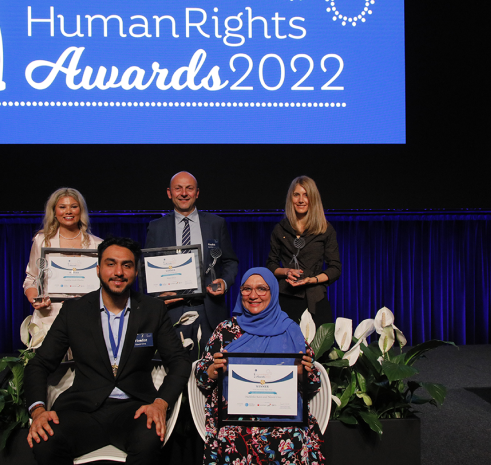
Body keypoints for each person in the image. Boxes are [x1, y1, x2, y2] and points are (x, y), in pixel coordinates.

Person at [25, 237, 190, 465]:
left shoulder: (153, 310)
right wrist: (38, 411)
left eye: (127, 265)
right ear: (98, 269)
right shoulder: (74, 311)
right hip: (83, 410)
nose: (118, 272)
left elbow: (179, 361)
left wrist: (160, 403)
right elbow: (39, 364)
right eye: (110, 263)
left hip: (135, 409)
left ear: (136, 272)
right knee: (45, 442)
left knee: (149, 443)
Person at [195, 267, 325, 465]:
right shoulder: (225, 330)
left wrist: (301, 373)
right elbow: (202, 377)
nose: (253, 295)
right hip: (235, 414)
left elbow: (314, 385)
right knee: (233, 438)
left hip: (282, 412)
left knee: (290, 439)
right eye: (247, 289)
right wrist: (212, 370)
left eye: (262, 289)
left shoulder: (290, 330)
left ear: (272, 292)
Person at [145, 171, 238, 357]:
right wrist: (158, 296)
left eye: (189, 188)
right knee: (174, 369)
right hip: (171, 310)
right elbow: (147, 269)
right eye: (178, 189)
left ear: (197, 193)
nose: (184, 193)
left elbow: (230, 261)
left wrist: (225, 282)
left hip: (208, 309)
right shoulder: (156, 227)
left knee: (211, 368)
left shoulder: (216, 224)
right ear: (169, 193)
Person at [266, 176, 341, 327]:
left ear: (313, 198)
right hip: (285, 299)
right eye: (296, 195)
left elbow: (335, 268)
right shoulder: (280, 229)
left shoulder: (325, 229)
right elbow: (271, 264)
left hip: (315, 299)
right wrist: (286, 271)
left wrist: (312, 280)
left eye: (306, 195)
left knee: (320, 349)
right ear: (291, 198)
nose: (301, 200)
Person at [23, 188, 103, 329]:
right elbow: (31, 279)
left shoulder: (97, 244)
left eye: (73, 206)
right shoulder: (42, 241)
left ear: (81, 210)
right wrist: (35, 299)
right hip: (49, 317)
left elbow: (103, 285)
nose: (68, 211)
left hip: (86, 318)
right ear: (54, 211)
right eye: (62, 207)